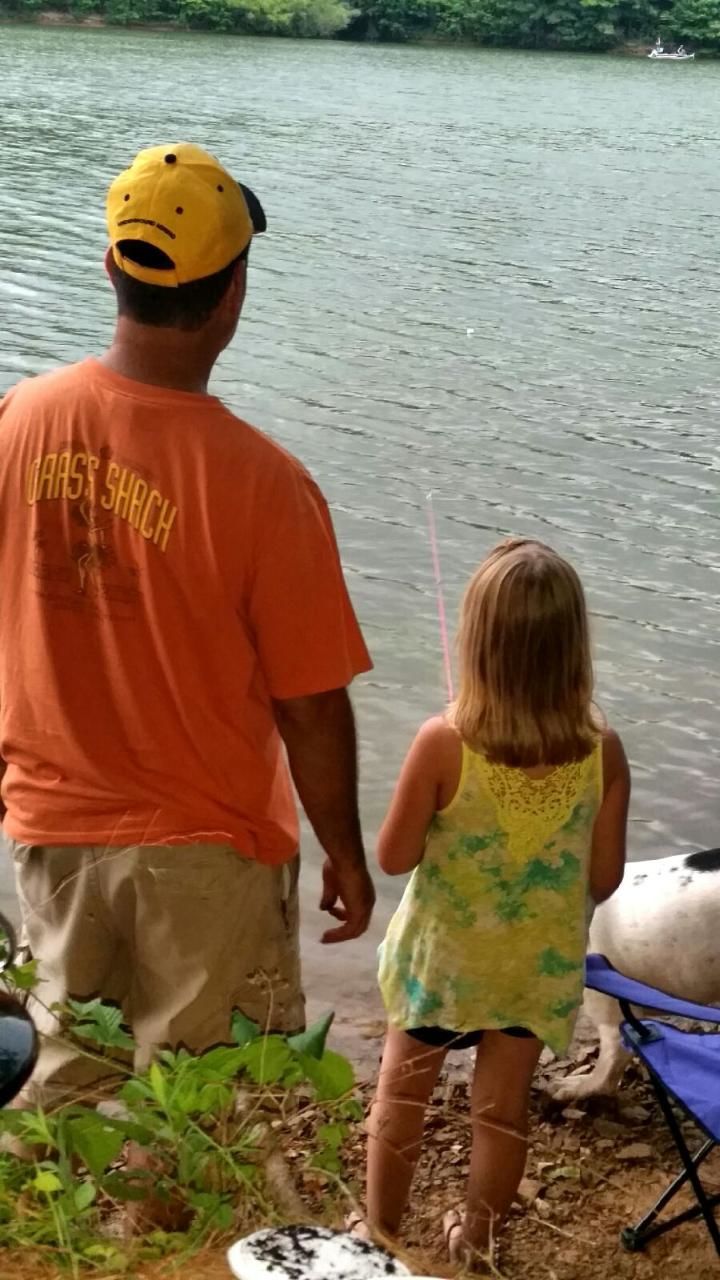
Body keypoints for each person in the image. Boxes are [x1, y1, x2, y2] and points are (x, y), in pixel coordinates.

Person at [0, 143, 375, 1104]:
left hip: (50, 830)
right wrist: (343, 848)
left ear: (109, 267)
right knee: (204, 1109)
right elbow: (310, 704)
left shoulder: (17, 422)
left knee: (66, 1088)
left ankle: (78, 1247)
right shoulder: (266, 485)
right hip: (207, 853)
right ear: (233, 291)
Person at [364, 538, 629, 1272]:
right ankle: (476, 1241)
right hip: (530, 969)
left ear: (476, 640)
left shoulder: (442, 742)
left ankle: (381, 1236)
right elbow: (604, 880)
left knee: (402, 1102)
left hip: (440, 965)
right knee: (501, 1112)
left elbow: (393, 856)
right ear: (575, 644)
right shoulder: (604, 749)